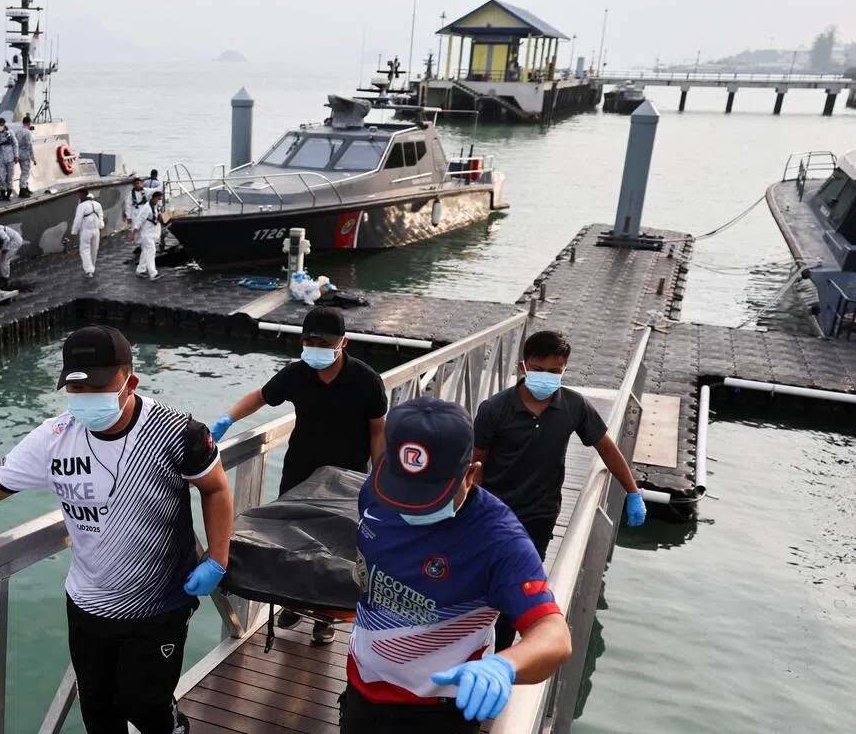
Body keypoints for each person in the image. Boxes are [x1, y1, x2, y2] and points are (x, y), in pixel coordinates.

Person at [0, 325, 233, 734]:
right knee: (98, 712)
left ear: (130, 382)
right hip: (86, 602)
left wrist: (217, 559)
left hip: (158, 602)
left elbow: (215, 489)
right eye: (76, 388)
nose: (85, 398)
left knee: (143, 704)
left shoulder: (176, 432)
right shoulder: (54, 437)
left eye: (98, 387)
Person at [343, 397, 572, 732]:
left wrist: (505, 665)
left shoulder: (498, 540)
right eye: (403, 491)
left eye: (428, 497)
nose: (410, 508)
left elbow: (554, 634)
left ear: (470, 474)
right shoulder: (376, 493)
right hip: (362, 685)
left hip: (439, 709)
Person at [210, 306, 387, 644]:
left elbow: (378, 431)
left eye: (324, 343)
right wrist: (228, 419)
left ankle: (326, 618)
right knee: (291, 545)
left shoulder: (366, 380)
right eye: (310, 341)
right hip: (300, 475)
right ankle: (292, 604)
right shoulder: (297, 373)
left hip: (346, 478)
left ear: (343, 342)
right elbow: (261, 397)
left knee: (336, 549)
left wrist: (378, 480)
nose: (316, 348)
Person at [472, 330, 647, 652]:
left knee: (520, 589)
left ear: (565, 369)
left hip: (540, 515)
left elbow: (606, 448)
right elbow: (475, 464)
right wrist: (471, 509)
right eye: (538, 369)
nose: (546, 377)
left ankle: (502, 655)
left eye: (554, 371)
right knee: (483, 585)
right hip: (494, 512)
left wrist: (632, 491)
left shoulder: (573, 406)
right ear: (523, 367)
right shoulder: (494, 409)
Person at [131, 191, 167, 281]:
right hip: (146, 234)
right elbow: (139, 221)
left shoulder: (155, 206)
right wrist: (133, 234)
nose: (160, 201)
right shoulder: (146, 208)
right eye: (159, 199)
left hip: (152, 234)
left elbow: (157, 218)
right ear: (154, 198)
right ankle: (153, 274)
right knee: (151, 252)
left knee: (145, 252)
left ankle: (140, 270)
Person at [71, 191, 105, 279]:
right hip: (96, 230)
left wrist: (74, 232)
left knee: (84, 250)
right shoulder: (98, 204)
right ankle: (92, 266)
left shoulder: (81, 206)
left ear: (83, 195)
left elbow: (78, 220)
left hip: (86, 231)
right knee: (94, 250)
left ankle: (89, 271)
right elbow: (101, 217)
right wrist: (101, 228)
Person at [13, 115, 37, 198]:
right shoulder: (28, 132)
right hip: (25, 155)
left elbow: (15, 144)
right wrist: (33, 158)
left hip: (19, 155)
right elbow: (29, 145)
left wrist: (16, 155)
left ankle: (26, 188)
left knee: (23, 171)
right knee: (25, 173)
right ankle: (22, 190)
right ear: (29, 123)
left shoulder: (18, 132)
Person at [0, 117, 17, 201]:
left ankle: (9, 193)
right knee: (1, 176)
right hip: (0, 158)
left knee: (10, 176)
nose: (0, 126)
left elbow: (15, 144)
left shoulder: (10, 132)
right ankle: (2, 192)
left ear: (4, 125)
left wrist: (16, 155)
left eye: (1, 125)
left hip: (10, 157)